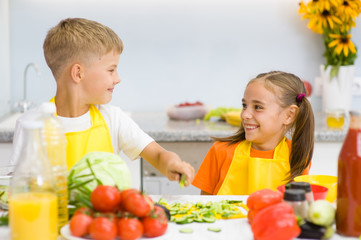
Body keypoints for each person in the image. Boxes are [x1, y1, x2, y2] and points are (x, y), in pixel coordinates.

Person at [11, 18, 194, 186]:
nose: (118, 78)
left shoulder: (113, 118)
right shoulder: (32, 125)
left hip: (103, 220)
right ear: (78, 73)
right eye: (111, 70)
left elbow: (158, 155)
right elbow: (19, 187)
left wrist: (173, 164)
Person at [192, 71, 314, 195]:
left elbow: (297, 209)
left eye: (258, 107)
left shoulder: (297, 157)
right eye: (244, 105)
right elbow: (205, 206)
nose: (245, 114)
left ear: (289, 115)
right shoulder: (220, 151)